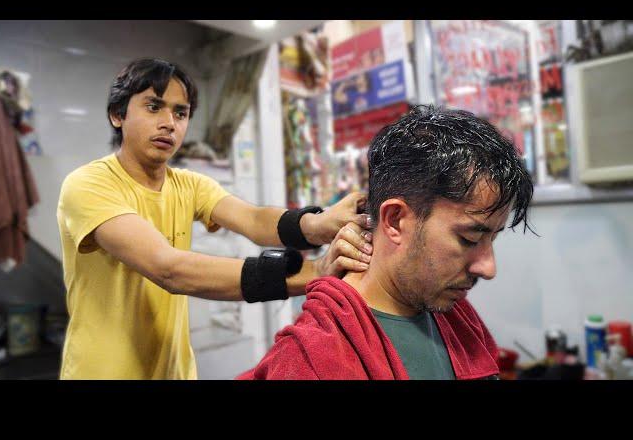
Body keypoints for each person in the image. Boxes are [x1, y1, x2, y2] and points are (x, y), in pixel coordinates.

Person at [56, 58, 373, 380]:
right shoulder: (88, 185)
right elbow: (168, 268)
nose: (169, 123)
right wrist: (315, 272)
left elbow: (253, 219)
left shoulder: (188, 184)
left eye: (180, 113)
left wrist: (319, 224)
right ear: (117, 115)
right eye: (154, 107)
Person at [237, 104, 534, 380]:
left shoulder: (458, 320)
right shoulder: (309, 361)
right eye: (469, 239)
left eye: (492, 239)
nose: (488, 267)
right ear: (394, 220)